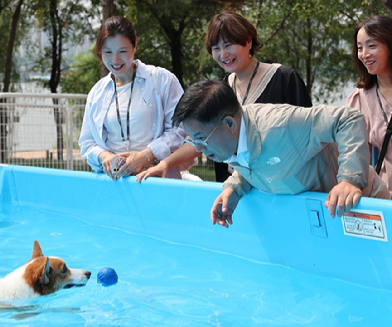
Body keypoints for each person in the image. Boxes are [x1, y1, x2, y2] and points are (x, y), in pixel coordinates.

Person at [171, 79, 390, 228]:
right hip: (332, 213)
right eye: (192, 140)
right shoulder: (233, 138)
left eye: (202, 138)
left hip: (366, 204)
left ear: (229, 123)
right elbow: (256, 160)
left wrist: (350, 180)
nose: (198, 148)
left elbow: (347, 119)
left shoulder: (281, 126)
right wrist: (235, 188)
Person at [136, 11, 311, 183]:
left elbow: (308, 135)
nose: (223, 54)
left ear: (248, 41)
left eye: (228, 45)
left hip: (281, 185)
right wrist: (166, 163)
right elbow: (199, 140)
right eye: (216, 48)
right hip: (231, 189)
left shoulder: (284, 79)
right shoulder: (220, 89)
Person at [79, 16, 186, 180]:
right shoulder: (97, 92)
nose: (115, 60)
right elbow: (87, 142)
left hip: (156, 178)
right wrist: (104, 156)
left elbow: (180, 131)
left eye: (122, 51)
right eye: (108, 52)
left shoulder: (162, 80)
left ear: (135, 45)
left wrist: (145, 156)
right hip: (115, 183)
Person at [346, 15, 392, 196]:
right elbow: (354, 159)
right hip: (387, 201)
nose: (364, 54)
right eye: (359, 48)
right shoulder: (359, 100)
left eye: (372, 46)